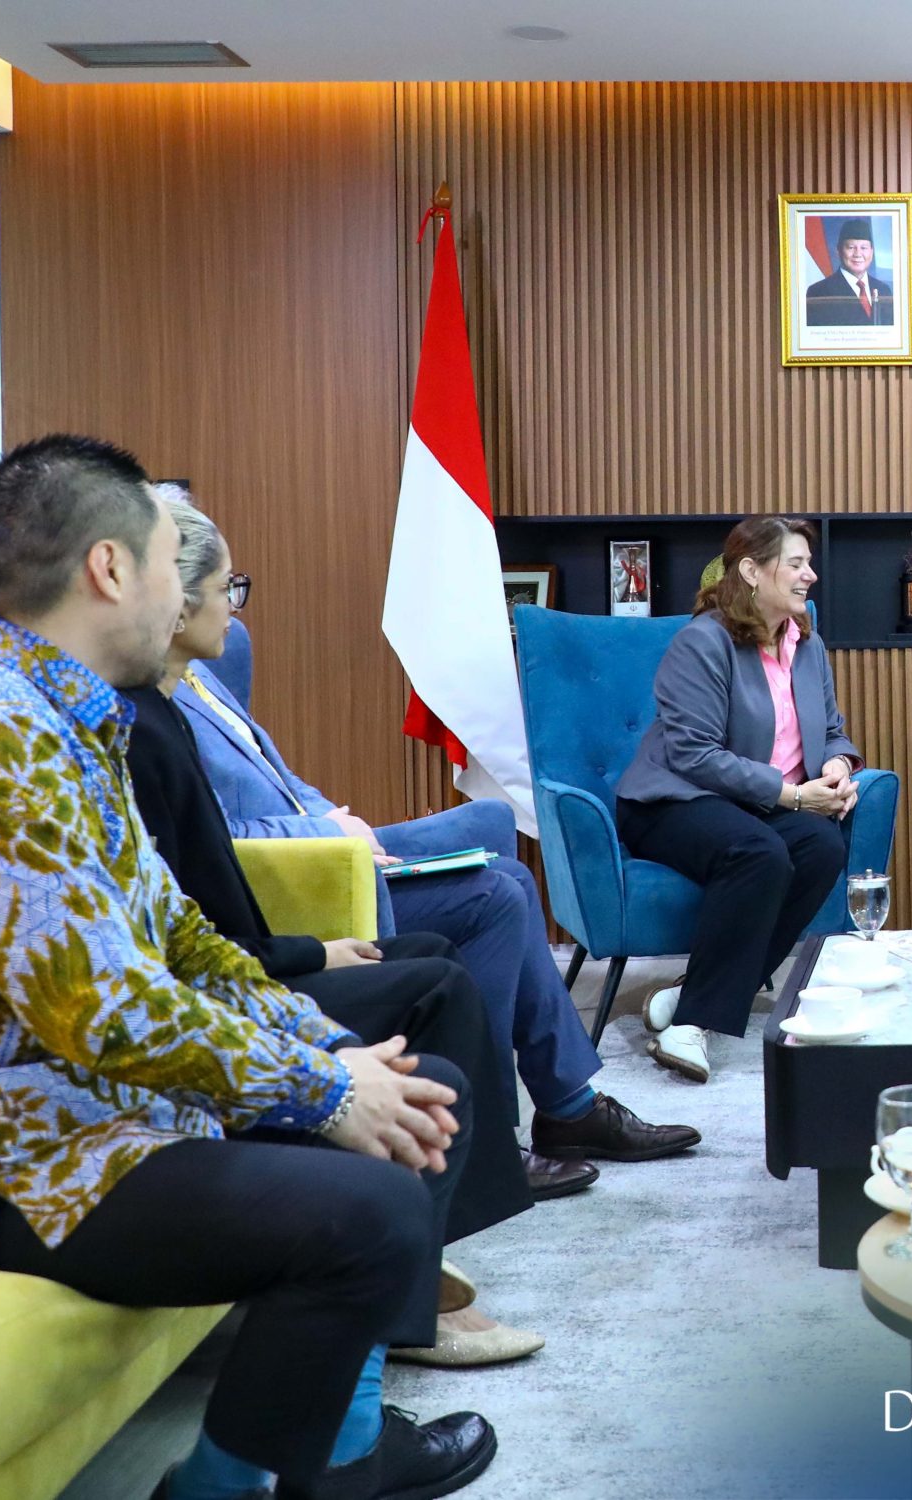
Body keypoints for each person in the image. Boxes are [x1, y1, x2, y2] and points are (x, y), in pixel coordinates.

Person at [0, 435, 495, 1500]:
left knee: (424, 1094)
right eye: (169, 563)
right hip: (4, 1156)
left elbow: (182, 939)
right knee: (370, 1209)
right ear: (109, 569)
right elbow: (103, 1008)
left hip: (102, 1110)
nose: (190, 595)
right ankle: (224, 1489)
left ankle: (335, 1455)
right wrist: (325, 1089)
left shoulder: (71, 723)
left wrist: (333, 1052)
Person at [169, 490, 700, 1186]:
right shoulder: (153, 707)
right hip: (300, 879)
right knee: (499, 897)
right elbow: (206, 836)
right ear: (175, 600)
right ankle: (502, 1130)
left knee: (499, 846)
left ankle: (565, 1108)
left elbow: (283, 780)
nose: (236, 608)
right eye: (226, 589)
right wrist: (323, 833)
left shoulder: (202, 680)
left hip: (335, 849)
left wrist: (340, 821)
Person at [127, 492, 545, 1368]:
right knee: (443, 976)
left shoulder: (183, 698)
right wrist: (314, 1046)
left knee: (447, 938)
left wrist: (315, 946)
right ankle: (415, 1280)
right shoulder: (127, 730)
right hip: (235, 977)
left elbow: (189, 919)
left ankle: (433, 1240)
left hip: (255, 952)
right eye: (226, 587)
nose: (235, 607)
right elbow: (169, 949)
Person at [617, 515, 860, 1082]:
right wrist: (792, 795)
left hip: (753, 804)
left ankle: (693, 994)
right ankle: (689, 1026)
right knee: (759, 852)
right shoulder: (703, 641)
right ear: (751, 570)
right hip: (672, 801)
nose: (810, 575)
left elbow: (832, 731)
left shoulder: (807, 645)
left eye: (809, 563)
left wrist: (837, 765)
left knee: (822, 847)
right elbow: (694, 754)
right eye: (795, 564)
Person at [804, 219, 894, 326]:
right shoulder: (819, 292)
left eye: (864, 248)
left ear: (871, 251)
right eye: (851, 248)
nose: (858, 254)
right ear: (838, 250)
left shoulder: (884, 290)